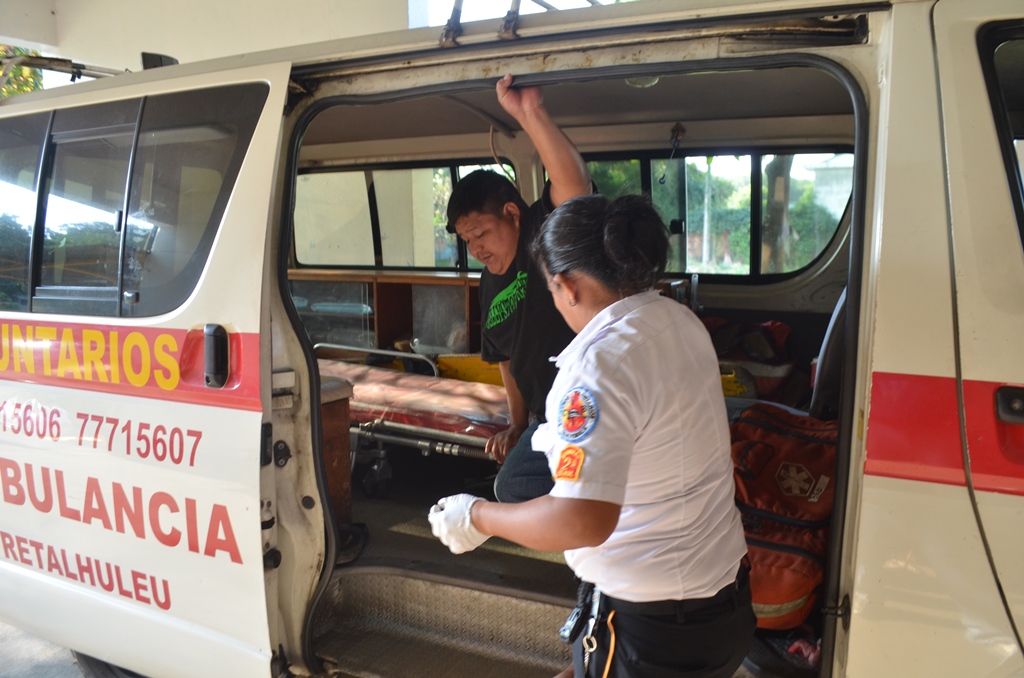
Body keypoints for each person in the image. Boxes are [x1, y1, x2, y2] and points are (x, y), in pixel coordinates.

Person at [429, 194, 755, 678]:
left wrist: (477, 517)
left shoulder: (597, 365)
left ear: (565, 286)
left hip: (652, 626)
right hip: (722, 608)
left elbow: (582, 520)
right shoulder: (680, 322)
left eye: (552, 292)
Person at [446, 73, 589, 503]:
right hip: (545, 418)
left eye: (481, 234)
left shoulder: (541, 234)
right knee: (512, 486)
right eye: (467, 241)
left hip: (586, 405)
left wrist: (530, 113)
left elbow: (574, 187)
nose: (476, 250)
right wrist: (516, 423)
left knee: (546, 488)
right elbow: (505, 360)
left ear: (511, 213)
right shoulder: (487, 283)